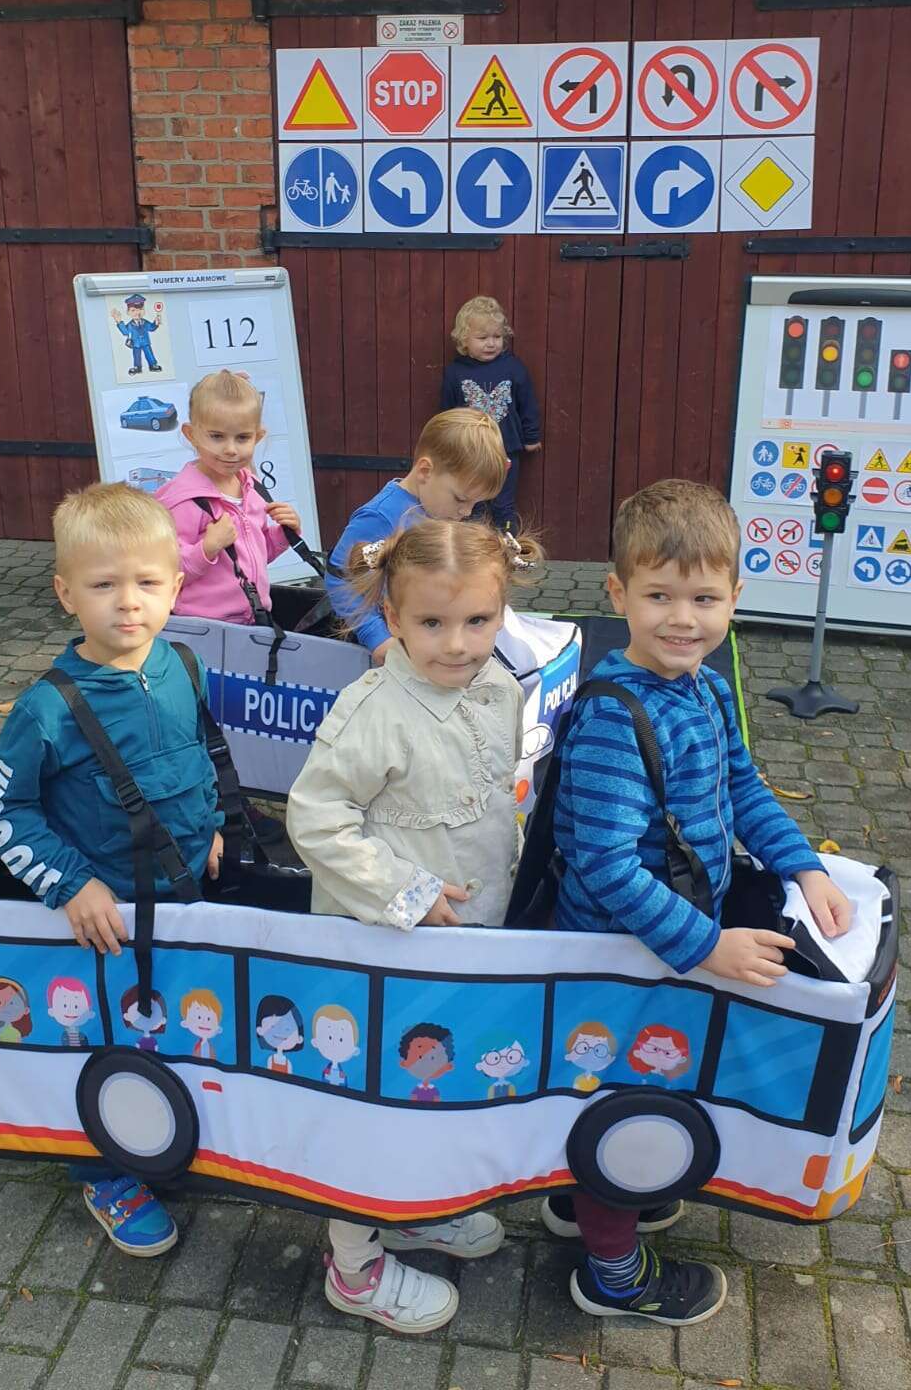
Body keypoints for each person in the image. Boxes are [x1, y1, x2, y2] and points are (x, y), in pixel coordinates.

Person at [546, 479, 853, 1327]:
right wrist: (706, 946)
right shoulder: (616, 719)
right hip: (618, 955)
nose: (683, 620)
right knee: (624, 1110)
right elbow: (607, 867)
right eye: (659, 597)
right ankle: (612, 1275)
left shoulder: (708, 688)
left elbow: (740, 786)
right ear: (618, 594)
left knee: (631, 1095)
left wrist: (805, 868)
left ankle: (581, 1200)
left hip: (665, 941)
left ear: (734, 598)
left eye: (705, 599)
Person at [287, 518, 543, 1334]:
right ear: (392, 617)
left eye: (478, 620)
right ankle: (353, 1265)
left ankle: (412, 1209)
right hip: (385, 949)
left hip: (466, 941)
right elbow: (316, 818)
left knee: (436, 1083)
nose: (457, 643)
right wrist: (404, 891)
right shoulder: (374, 710)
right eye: (433, 622)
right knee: (374, 1106)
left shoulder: (500, 687)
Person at [0, 482, 225, 1259]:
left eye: (147, 582)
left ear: (176, 587)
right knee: (102, 1045)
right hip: (102, 922)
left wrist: (213, 825)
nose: (128, 603)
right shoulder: (48, 707)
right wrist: (69, 883)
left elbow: (201, 757)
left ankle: (163, 1137)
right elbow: (0, 807)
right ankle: (105, 1170)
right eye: (103, 585)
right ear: (66, 594)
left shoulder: (183, 663)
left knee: (168, 1029)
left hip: (183, 901)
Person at [325, 408, 508, 663]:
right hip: (388, 644)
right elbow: (339, 579)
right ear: (425, 471)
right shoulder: (381, 516)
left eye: (475, 504)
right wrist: (376, 637)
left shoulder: (437, 508)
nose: (466, 512)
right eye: (460, 499)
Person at [157, 369, 300, 628]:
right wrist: (206, 548)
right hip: (203, 629)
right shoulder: (183, 501)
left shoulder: (252, 489)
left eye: (243, 438)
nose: (231, 449)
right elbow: (162, 573)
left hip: (252, 621)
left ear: (258, 436)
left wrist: (283, 535)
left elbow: (254, 555)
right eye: (217, 436)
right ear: (191, 434)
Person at [440, 296, 541, 532]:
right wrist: (447, 444)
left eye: (497, 337)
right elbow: (447, 412)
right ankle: (473, 545)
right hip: (469, 450)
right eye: (483, 338)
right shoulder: (455, 372)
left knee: (503, 505)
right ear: (464, 339)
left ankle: (507, 547)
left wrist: (531, 436)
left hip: (504, 449)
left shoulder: (513, 367)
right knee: (471, 504)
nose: (491, 344)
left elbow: (527, 403)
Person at [111, 294, 163, 374]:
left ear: (144, 310)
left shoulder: (145, 322)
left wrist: (155, 323)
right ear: (128, 312)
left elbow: (151, 328)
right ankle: (137, 367)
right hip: (135, 343)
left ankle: (153, 365)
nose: (137, 312)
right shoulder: (130, 325)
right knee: (136, 355)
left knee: (149, 353)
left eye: (141, 309)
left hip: (145, 342)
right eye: (133, 310)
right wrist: (119, 321)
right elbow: (125, 332)